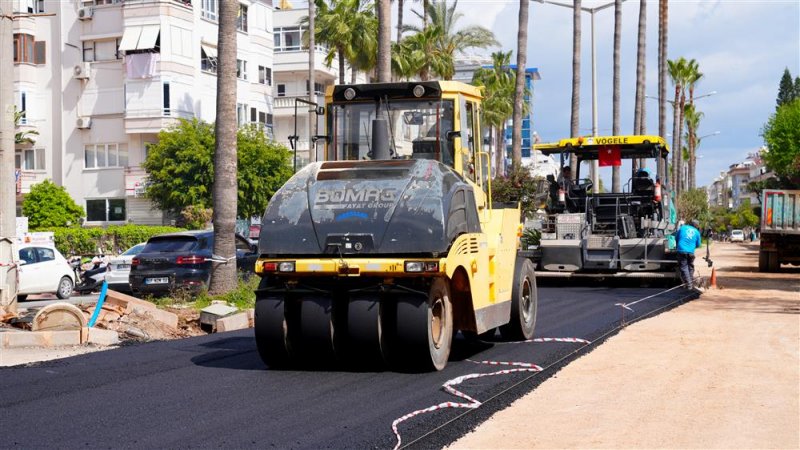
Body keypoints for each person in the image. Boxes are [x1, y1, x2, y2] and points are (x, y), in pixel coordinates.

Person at [675, 218, 702, 289]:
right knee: (690, 267)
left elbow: (676, 238)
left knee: (684, 267)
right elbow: (698, 245)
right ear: (696, 226)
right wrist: (691, 246)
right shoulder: (697, 232)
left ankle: (689, 284)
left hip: (681, 250)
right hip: (690, 252)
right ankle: (690, 284)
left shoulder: (682, 228)